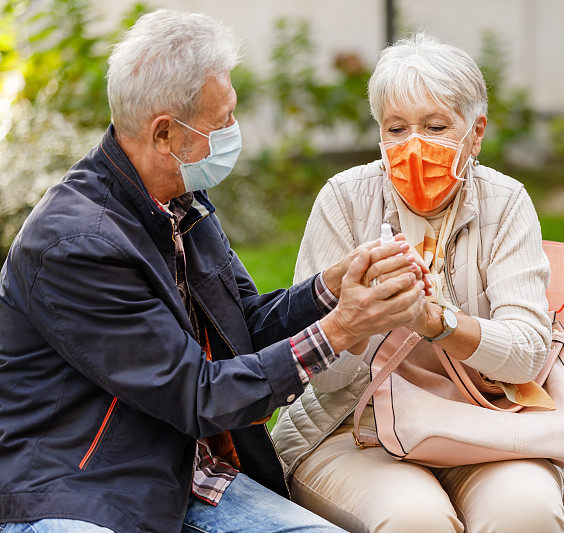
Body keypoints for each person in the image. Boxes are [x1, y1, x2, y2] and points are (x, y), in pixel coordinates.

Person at [0, 10, 431, 533]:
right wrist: (342, 330)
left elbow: (241, 330)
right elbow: (199, 395)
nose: (234, 130)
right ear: (164, 134)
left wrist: (330, 289)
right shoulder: (77, 246)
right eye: (221, 119)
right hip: (81, 492)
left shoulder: (181, 201)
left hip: (186, 474)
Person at [272, 33, 564, 533]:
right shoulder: (344, 201)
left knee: (527, 511)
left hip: (483, 423)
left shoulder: (506, 204)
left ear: (475, 133)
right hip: (356, 428)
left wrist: (438, 322)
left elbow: (526, 355)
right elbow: (316, 377)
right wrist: (353, 320)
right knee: (415, 519)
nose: (413, 146)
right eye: (396, 129)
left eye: (435, 126)